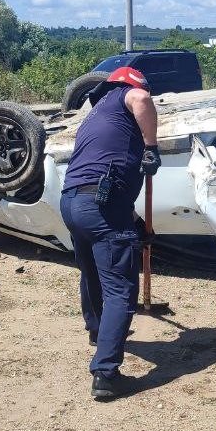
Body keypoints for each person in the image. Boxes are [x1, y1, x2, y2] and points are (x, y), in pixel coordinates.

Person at [59, 66, 160, 400]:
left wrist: (133, 226)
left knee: (91, 274)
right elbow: (142, 98)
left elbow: (104, 179)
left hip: (73, 202)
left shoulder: (96, 114)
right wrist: (151, 147)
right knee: (120, 289)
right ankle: (105, 373)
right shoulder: (126, 94)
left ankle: (97, 331)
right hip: (99, 205)